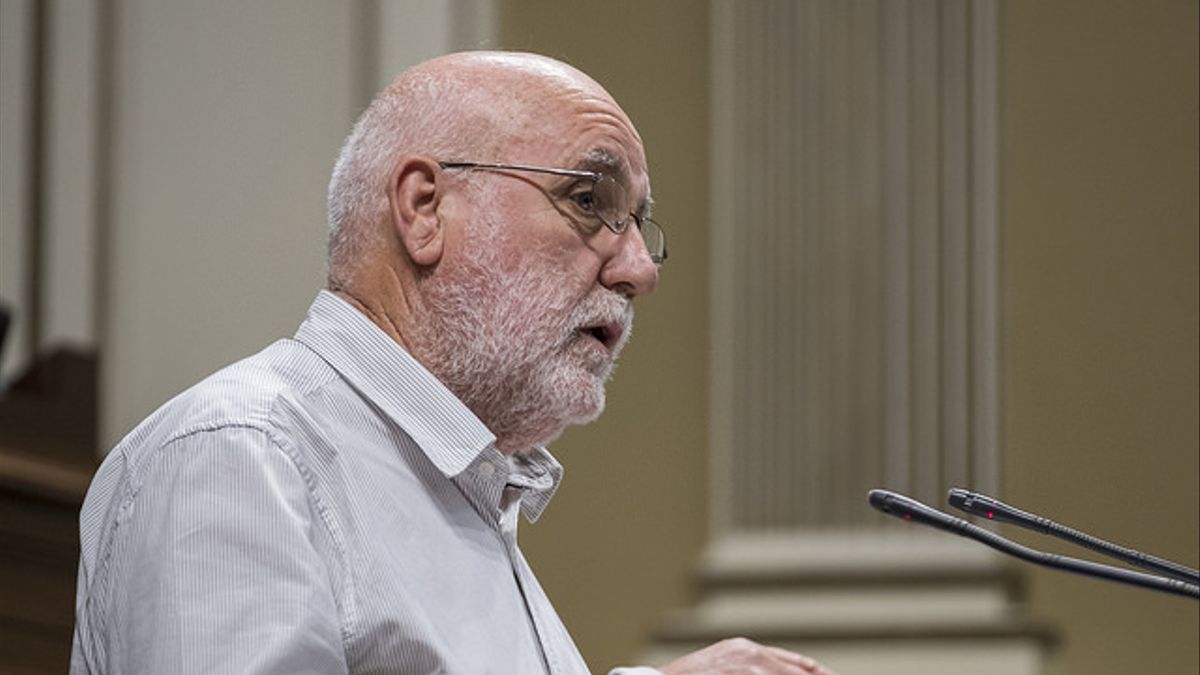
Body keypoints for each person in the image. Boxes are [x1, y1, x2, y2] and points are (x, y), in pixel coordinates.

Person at [70, 51, 834, 675]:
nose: (638, 268)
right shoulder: (239, 455)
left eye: (637, 223)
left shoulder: (468, 498)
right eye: (589, 200)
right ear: (425, 208)